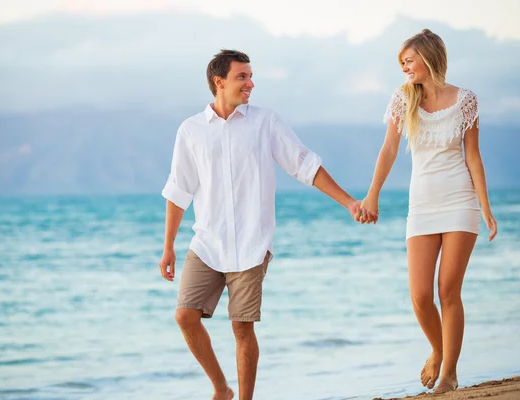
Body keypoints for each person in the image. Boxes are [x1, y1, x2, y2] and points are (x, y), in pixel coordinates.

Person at [159, 49, 362, 400]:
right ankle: (221, 389)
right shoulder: (190, 130)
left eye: (251, 77)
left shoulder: (265, 122)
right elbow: (179, 190)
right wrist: (167, 247)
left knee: (242, 327)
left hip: (252, 244)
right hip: (207, 243)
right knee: (184, 316)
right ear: (218, 81)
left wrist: (348, 202)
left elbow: (305, 165)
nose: (250, 83)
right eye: (242, 77)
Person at [355, 29, 498, 394]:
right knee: (420, 296)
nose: (404, 67)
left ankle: (449, 376)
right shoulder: (404, 100)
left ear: (429, 57)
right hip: (422, 205)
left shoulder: (465, 100)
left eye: (409, 60)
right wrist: (372, 195)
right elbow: (388, 151)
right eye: (401, 62)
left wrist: (485, 207)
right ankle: (438, 349)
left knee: (448, 290)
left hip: (460, 202)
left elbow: (473, 156)